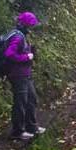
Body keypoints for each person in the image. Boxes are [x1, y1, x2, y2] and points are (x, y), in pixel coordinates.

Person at [5, 11, 46, 141]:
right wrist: (26, 57)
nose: (32, 28)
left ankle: (31, 127)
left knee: (31, 99)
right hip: (18, 75)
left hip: (25, 75)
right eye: (31, 25)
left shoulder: (21, 35)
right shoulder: (17, 37)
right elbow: (9, 54)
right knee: (20, 103)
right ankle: (17, 132)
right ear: (25, 25)